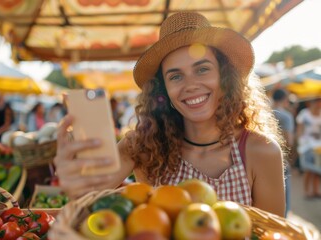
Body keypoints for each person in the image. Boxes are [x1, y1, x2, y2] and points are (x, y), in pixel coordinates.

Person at [54, 12, 286, 216]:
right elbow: (85, 206)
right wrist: (75, 181)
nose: (191, 85)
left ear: (225, 80)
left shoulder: (260, 151)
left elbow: (274, 235)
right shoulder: (143, 146)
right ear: (163, 89)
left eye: (202, 69)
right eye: (176, 76)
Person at [272, 88, 295, 216]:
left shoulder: (264, 112)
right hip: (280, 159)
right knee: (283, 198)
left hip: (260, 159)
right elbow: (289, 141)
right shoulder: (286, 116)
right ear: (285, 99)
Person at [296, 98, 321, 199]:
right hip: (306, 146)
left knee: (317, 170)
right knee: (308, 170)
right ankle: (307, 191)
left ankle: (315, 190)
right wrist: (300, 144)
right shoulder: (304, 114)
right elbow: (299, 131)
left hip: (318, 146)